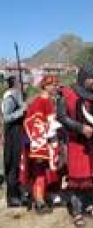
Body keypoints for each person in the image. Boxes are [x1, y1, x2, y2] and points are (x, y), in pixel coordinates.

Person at [57, 65, 93, 227]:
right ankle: (77, 211)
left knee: (92, 177)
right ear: (82, 78)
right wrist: (80, 128)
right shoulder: (68, 94)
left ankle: (89, 206)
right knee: (78, 179)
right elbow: (61, 116)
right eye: (92, 78)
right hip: (77, 144)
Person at [23, 75, 61, 214]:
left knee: (43, 172)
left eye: (56, 85)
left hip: (46, 142)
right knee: (39, 172)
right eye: (54, 85)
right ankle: (39, 202)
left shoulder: (47, 101)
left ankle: (41, 198)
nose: (56, 87)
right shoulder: (41, 101)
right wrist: (41, 146)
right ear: (46, 86)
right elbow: (36, 124)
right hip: (40, 144)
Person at [2, 73, 27, 207]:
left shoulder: (17, 94)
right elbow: (6, 117)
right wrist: (22, 111)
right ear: (14, 82)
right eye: (19, 81)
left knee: (18, 165)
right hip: (12, 135)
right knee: (13, 165)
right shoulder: (10, 97)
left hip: (18, 133)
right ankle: (12, 198)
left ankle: (18, 194)